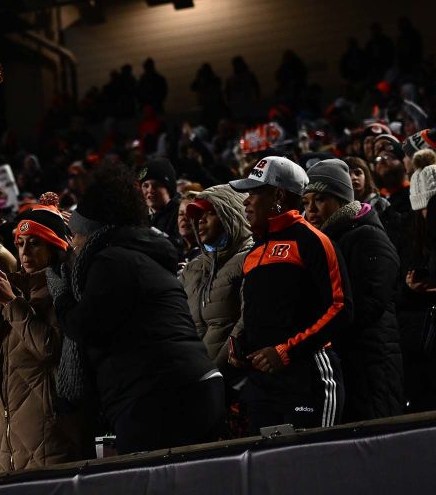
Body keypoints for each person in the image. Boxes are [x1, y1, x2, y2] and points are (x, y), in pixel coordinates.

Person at [48, 163, 222, 454]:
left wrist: (61, 293)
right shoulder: (140, 254)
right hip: (190, 386)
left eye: (74, 235)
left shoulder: (111, 262)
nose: (72, 245)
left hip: (160, 395)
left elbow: (83, 326)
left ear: (90, 232)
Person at [229, 156, 352, 432]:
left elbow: (341, 308)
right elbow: (262, 312)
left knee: (314, 466)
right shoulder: (253, 252)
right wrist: (241, 341)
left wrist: (287, 351)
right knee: (268, 472)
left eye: (253, 192)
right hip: (262, 383)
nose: (246, 202)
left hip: (308, 376)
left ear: (278, 195)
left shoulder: (313, 241)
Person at [0, 194, 91, 473]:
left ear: (54, 246)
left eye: (34, 243)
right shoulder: (15, 291)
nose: (25, 252)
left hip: (52, 438)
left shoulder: (65, 290)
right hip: (7, 441)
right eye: (20, 244)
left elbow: (50, 349)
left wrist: (11, 304)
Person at [303, 159, 403, 421]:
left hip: (370, 364)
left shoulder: (368, 236)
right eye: (306, 202)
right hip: (342, 362)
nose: (311, 210)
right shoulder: (321, 242)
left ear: (341, 200)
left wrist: (315, 329)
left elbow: (367, 305)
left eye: (320, 200)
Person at [180, 185, 252, 368]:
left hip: (229, 379)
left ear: (232, 217)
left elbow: (246, 324)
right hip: (190, 374)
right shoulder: (192, 268)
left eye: (210, 213)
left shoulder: (250, 260)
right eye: (198, 215)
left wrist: (214, 372)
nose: (200, 221)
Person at [138, 158, 184, 251]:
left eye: (156, 185)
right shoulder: (139, 214)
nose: (150, 190)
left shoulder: (182, 213)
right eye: (145, 185)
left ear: (169, 189)